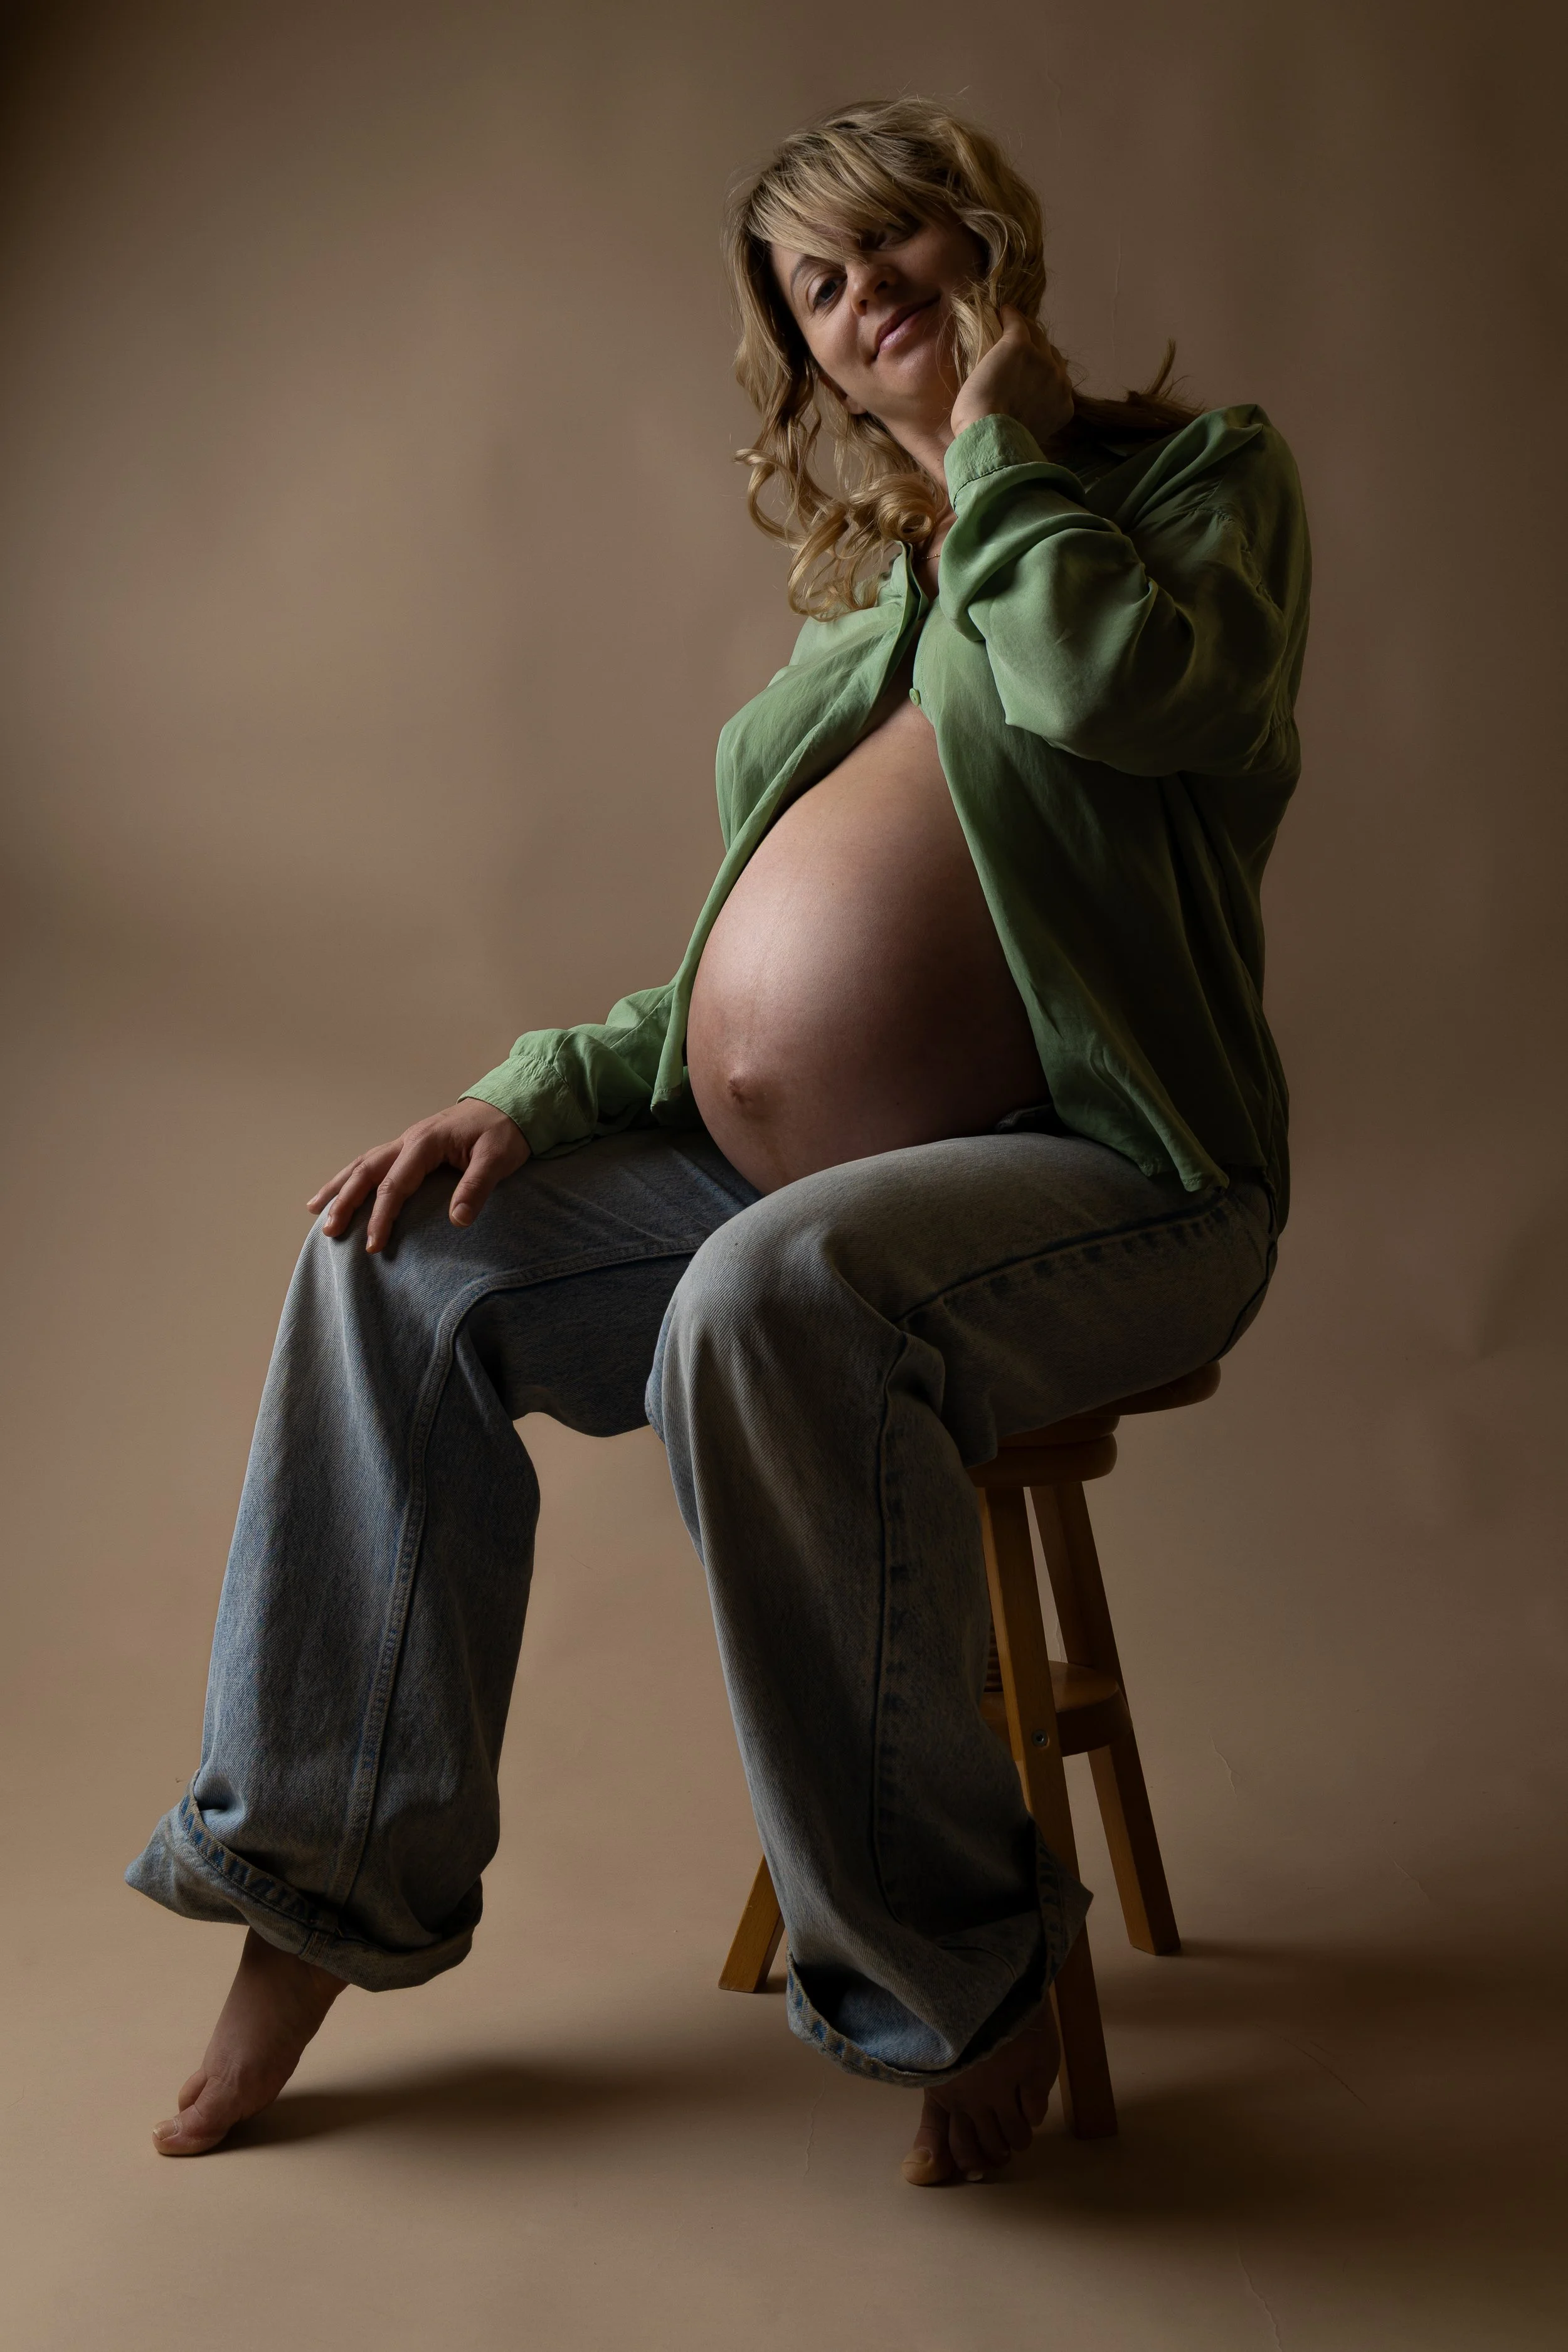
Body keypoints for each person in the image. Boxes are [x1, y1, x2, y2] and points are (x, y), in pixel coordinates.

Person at [127, 96, 1309, 2185]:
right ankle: (316, 1890)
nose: (873, 303)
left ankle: (958, 1967)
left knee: (772, 1299)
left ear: (990, 244)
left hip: (1120, 1184)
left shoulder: (1193, 493)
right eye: (822, 289)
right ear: (806, 347)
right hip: (798, 1184)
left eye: (897, 246)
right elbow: (716, 996)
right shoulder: (871, 612)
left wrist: (1004, 453)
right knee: (395, 1258)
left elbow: (1119, 692)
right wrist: (523, 1091)